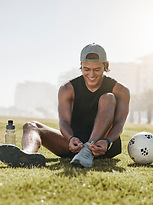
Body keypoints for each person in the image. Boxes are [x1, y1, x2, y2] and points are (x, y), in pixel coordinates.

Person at [0, 43, 130, 168]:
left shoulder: (121, 91)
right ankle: (27, 155)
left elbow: (119, 124)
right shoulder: (67, 89)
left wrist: (107, 141)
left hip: (102, 146)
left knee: (108, 97)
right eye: (86, 69)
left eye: (97, 69)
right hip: (74, 145)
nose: (91, 75)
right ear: (81, 66)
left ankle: (87, 151)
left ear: (105, 66)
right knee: (31, 126)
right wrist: (70, 138)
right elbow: (64, 121)